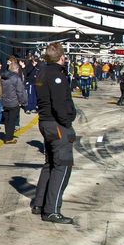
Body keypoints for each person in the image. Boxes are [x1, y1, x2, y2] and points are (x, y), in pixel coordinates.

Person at [30, 43, 77, 225]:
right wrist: (67, 121)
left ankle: (40, 204)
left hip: (45, 122)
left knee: (50, 164)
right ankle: (52, 210)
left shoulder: (42, 72)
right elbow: (59, 104)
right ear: (61, 57)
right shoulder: (56, 75)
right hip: (57, 124)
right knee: (63, 166)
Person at [1, 58, 28, 143]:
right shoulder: (16, 78)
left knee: (6, 120)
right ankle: (9, 138)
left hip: (4, 101)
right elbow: (20, 91)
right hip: (13, 102)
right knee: (12, 120)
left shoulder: (2, 77)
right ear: (16, 69)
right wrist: (24, 101)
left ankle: (7, 135)